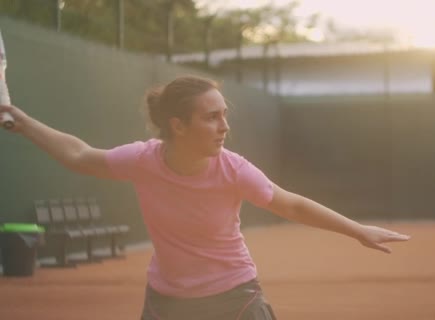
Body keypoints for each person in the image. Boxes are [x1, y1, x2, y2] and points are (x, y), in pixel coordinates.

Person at [0, 75, 410, 320]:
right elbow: (80, 155)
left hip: (234, 299)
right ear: (178, 126)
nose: (224, 126)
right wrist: (20, 120)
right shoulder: (143, 160)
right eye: (212, 117)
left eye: (224, 115)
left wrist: (357, 230)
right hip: (167, 302)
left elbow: (290, 203)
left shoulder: (233, 169)